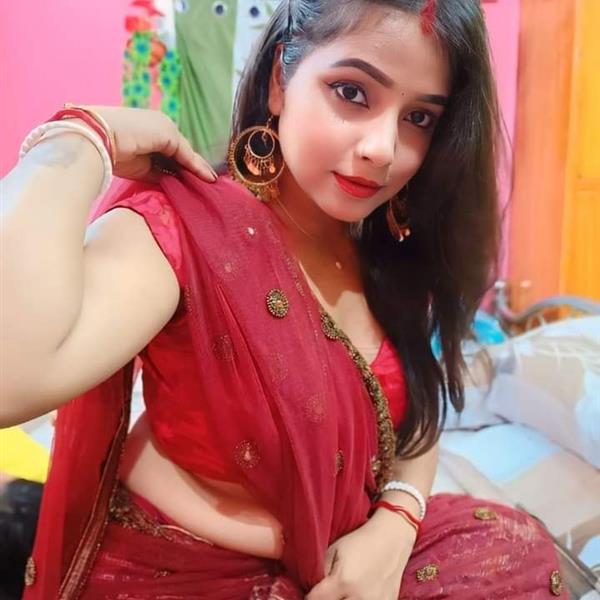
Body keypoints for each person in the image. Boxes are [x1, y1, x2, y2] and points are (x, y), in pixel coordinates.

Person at [1, 0, 565, 598]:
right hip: (185, 571)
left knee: (517, 548)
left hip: (349, 561)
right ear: (279, 80)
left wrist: (396, 522)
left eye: (419, 118)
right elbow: (11, 377)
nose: (382, 148)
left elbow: (416, 416)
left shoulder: (387, 250)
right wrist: (75, 139)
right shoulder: (187, 227)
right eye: (352, 92)